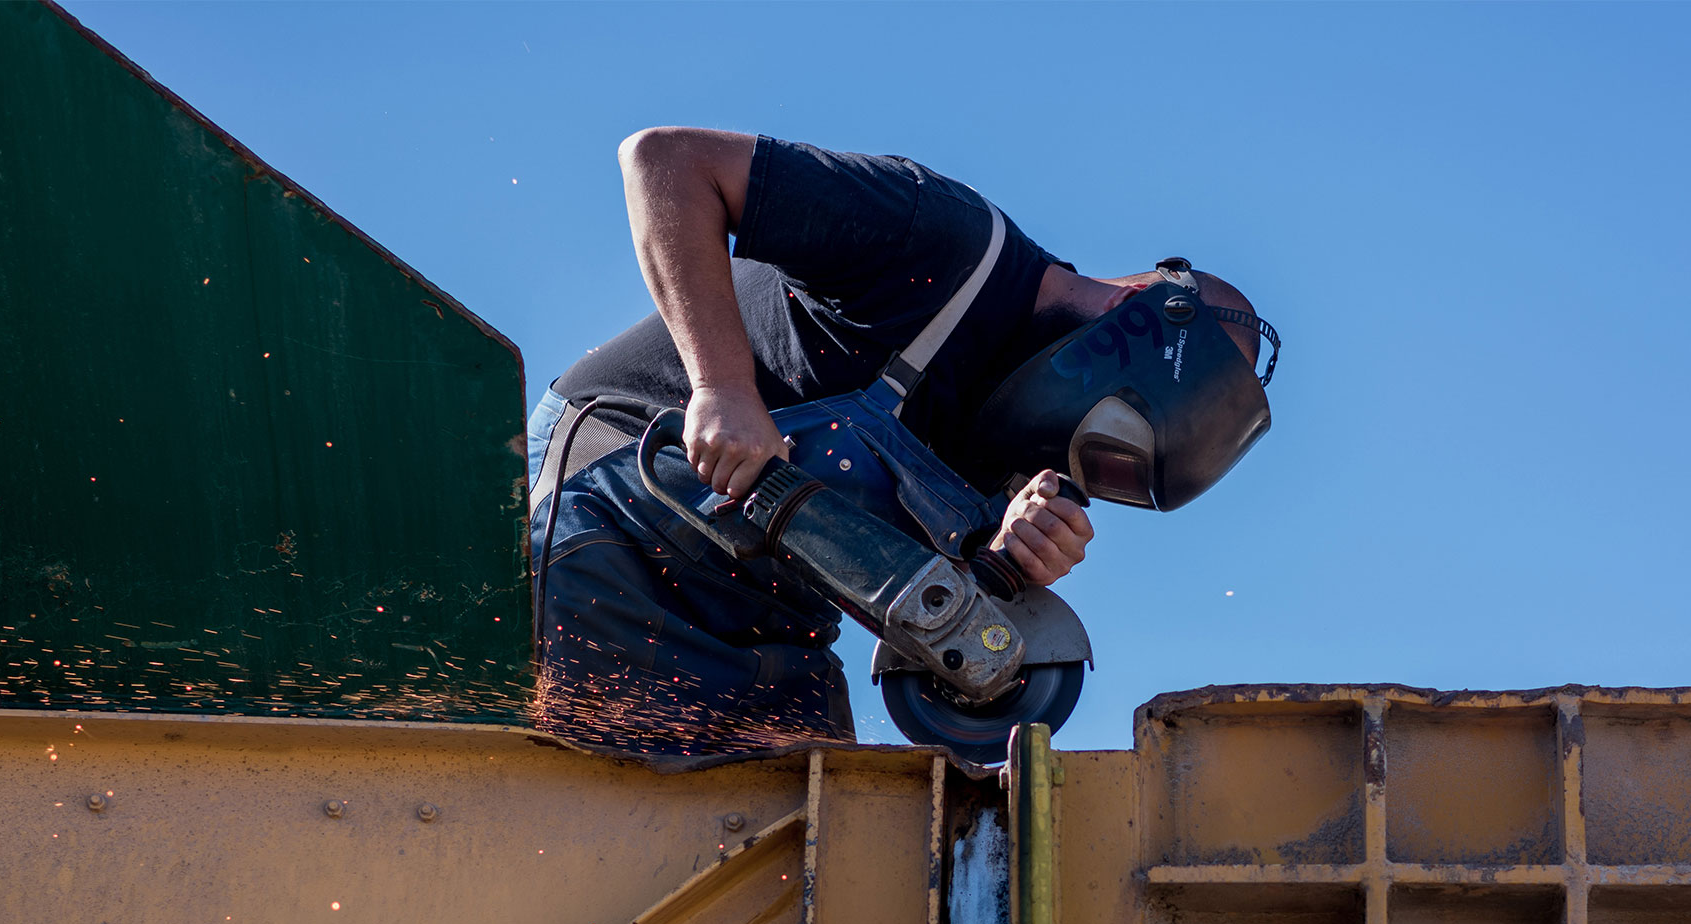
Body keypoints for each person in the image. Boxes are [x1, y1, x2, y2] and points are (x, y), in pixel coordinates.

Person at [525, 128, 1267, 754]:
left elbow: (907, 622)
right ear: (1140, 307)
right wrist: (722, 387)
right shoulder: (942, 239)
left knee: (817, 821)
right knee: (655, 802)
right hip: (617, 504)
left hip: (763, 612)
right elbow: (665, 161)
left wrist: (999, 573)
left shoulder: (1006, 461)